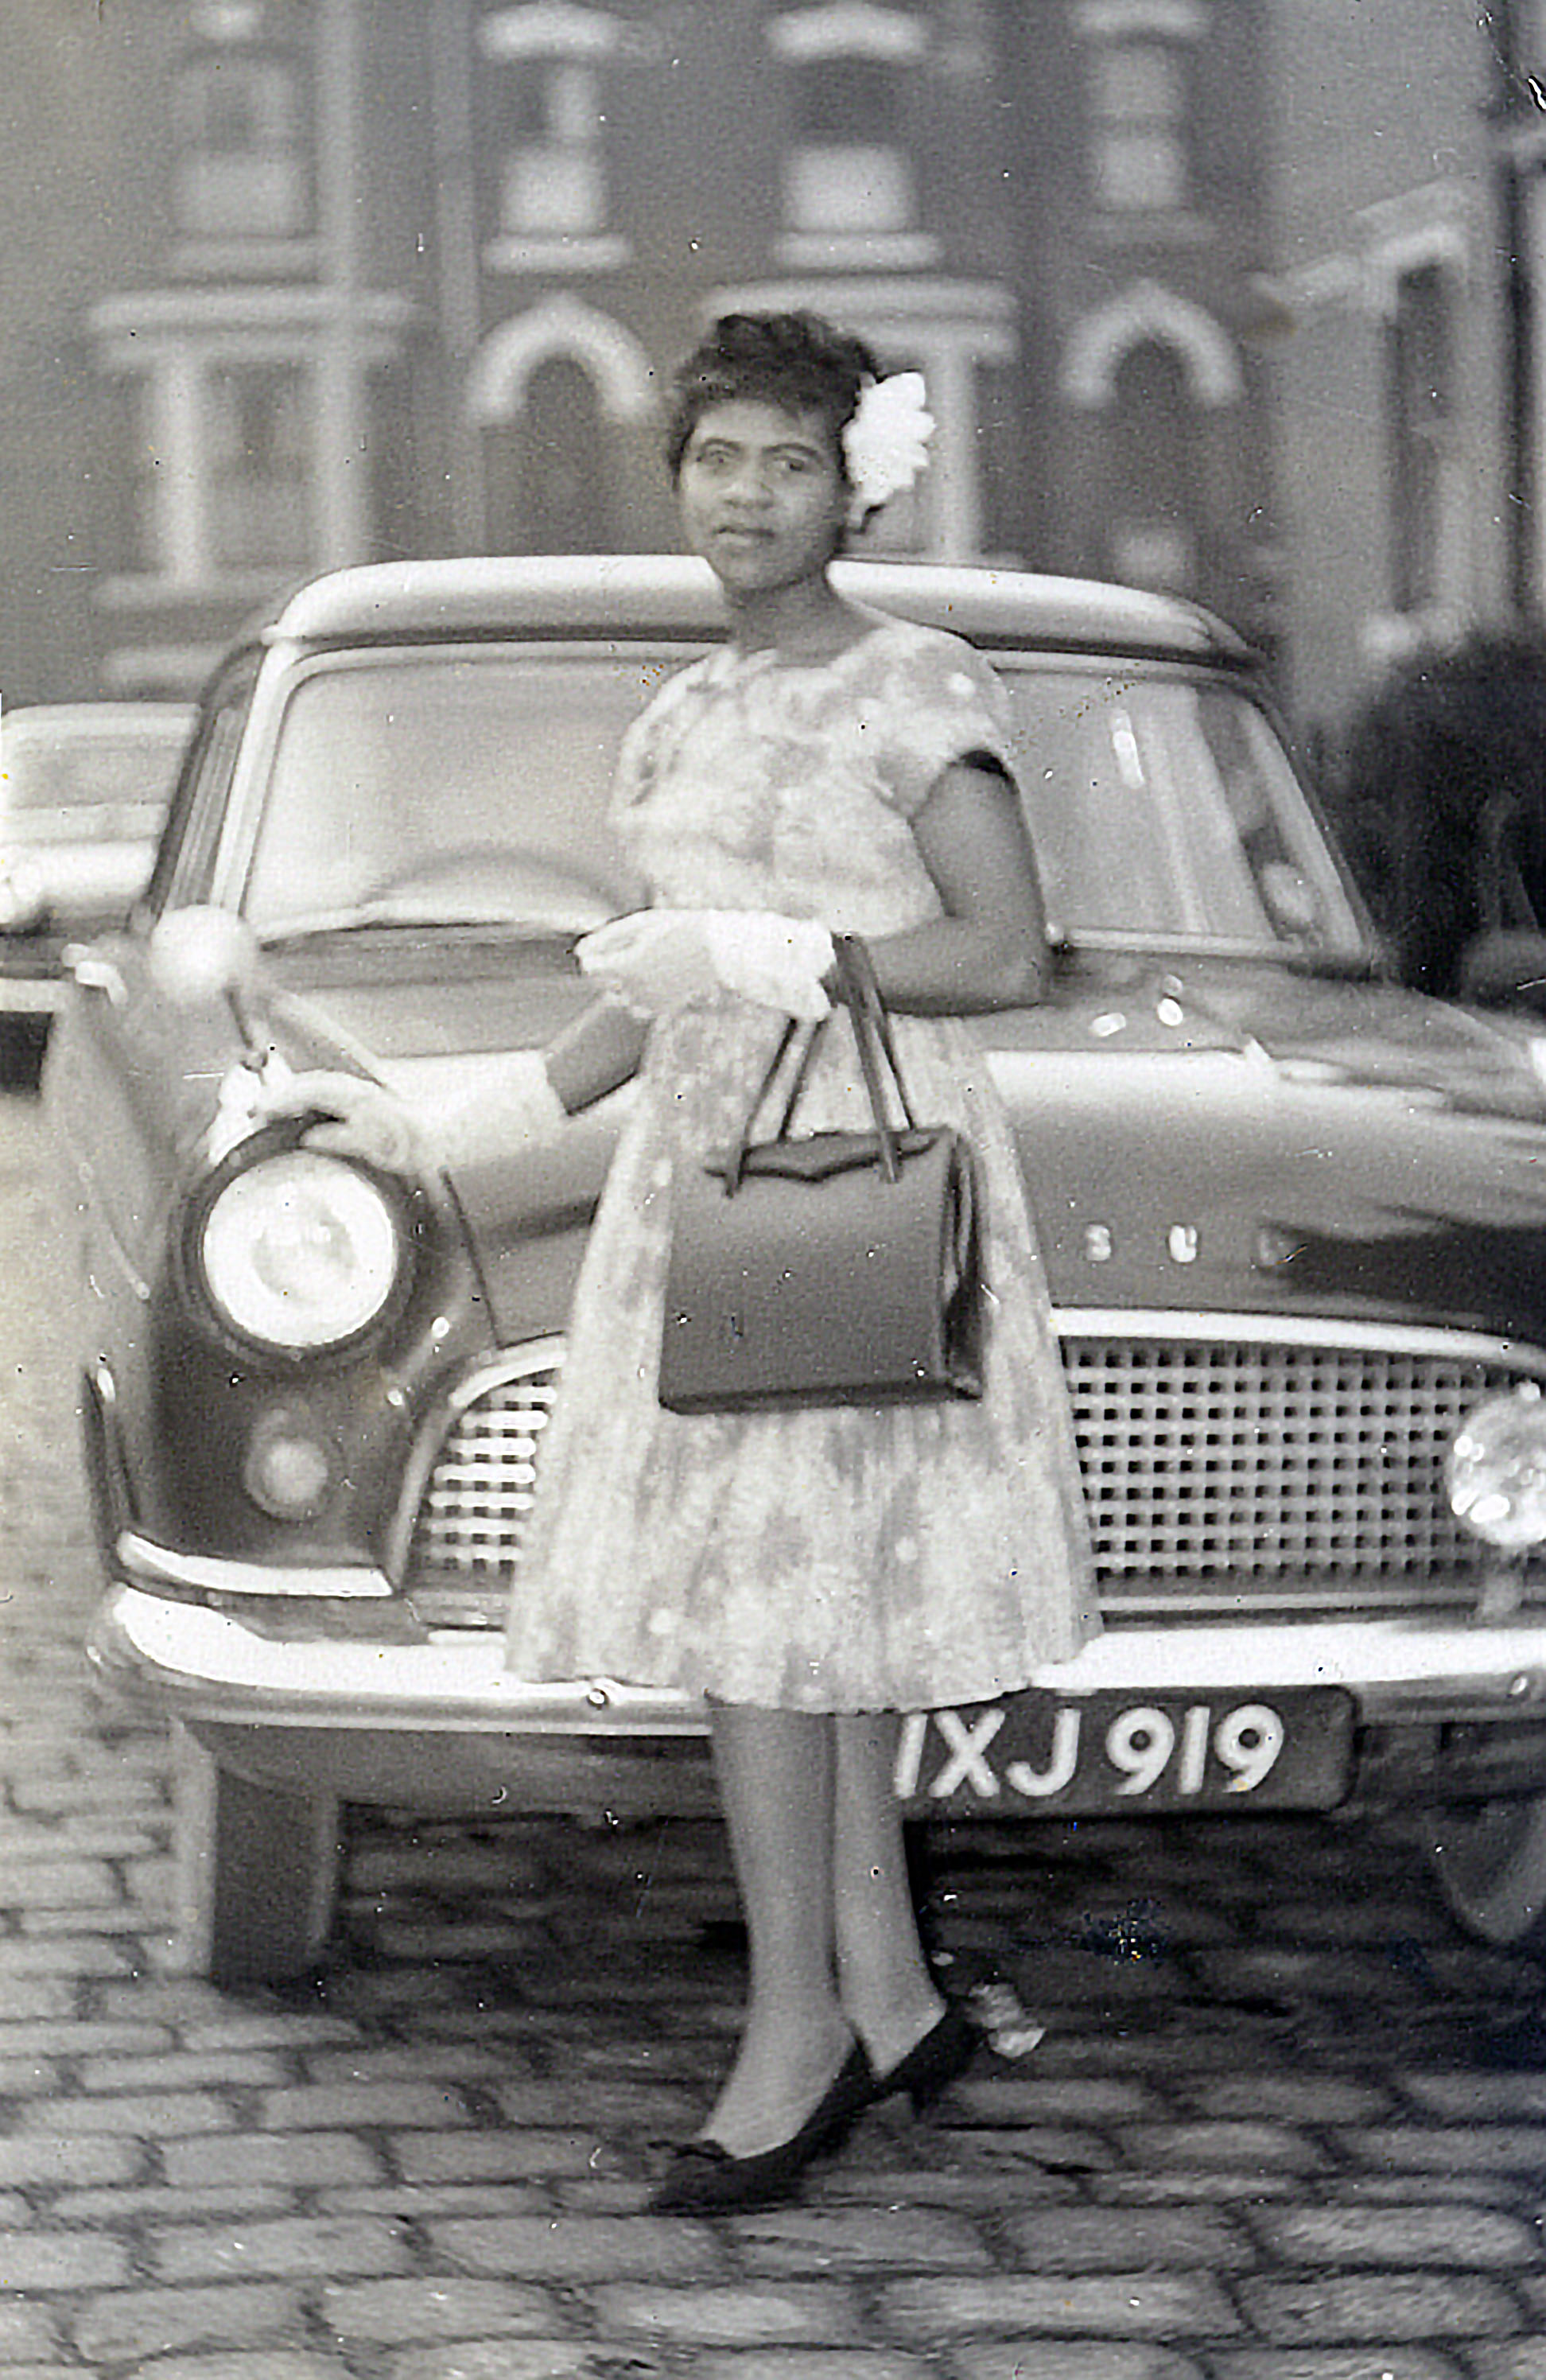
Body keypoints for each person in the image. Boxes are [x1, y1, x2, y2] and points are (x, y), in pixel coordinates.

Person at [274, 311, 1097, 2214]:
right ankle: (891, 1999)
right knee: (783, 1597)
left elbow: (1006, 950)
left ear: (851, 486)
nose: (747, 494)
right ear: (683, 481)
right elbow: (635, 1006)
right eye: (718, 459)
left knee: (793, 1606)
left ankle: (794, 2031)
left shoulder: (914, 685)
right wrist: (437, 1127)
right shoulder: (678, 713)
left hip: (860, 1176)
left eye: (787, 463)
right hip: (704, 1183)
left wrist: (783, 958)